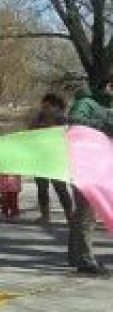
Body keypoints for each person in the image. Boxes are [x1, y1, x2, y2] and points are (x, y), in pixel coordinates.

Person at [66, 79, 113, 276]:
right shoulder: (85, 102)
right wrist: (105, 124)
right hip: (86, 164)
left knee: (83, 214)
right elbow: (75, 120)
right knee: (87, 213)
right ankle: (85, 260)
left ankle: (75, 256)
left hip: (101, 164)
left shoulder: (105, 105)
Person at [28, 93, 74, 224]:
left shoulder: (63, 120)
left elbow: (68, 137)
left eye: (48, 106)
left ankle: (70, 216)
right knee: (42, 188)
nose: (45, 108)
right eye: (44, 105)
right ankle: (45, 216)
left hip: (56, 159)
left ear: (56, 106)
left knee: (61, 188)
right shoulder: (38, 118)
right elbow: (30, 134)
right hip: (39, 158)